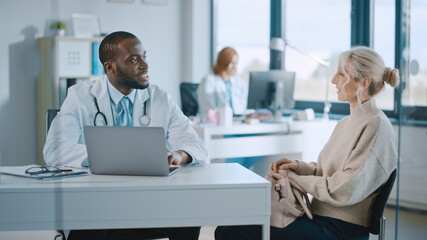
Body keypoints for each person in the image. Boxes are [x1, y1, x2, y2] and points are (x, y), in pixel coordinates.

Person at [215, 46, 400, 240]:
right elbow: (323, 171)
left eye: (341, 74)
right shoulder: (346, 123)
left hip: (341, 229)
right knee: (226, 227)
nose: (333, 80)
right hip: (319, 218)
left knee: (235, 232)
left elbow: (346, 188)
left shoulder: (376, 126)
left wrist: (296, 180)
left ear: (364, 82)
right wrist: (296, 167)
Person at [44, 31, 207, 240]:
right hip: (96, 203)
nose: (145, 65)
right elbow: (54, 149)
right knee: (87, 223)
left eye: (144, 57)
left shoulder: (159, 98)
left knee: (188, 215)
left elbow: (197, 146)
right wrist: (108, 155)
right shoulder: (80, 96)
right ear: (110, 67)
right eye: (133, 59)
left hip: (149, 201)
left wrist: (179, 155)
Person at [197, 47, 271, 169]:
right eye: (231, 63)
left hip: (238, 125)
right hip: (220, 128)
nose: (235, 67)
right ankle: (235, 173)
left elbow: (243, 107)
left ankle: (239, 170)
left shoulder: (239, 83)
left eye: (236, 63)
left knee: (261, 143)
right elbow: (208, 111)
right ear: (222, 62)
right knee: (235, 147)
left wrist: (253, 114)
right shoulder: (208, 81)